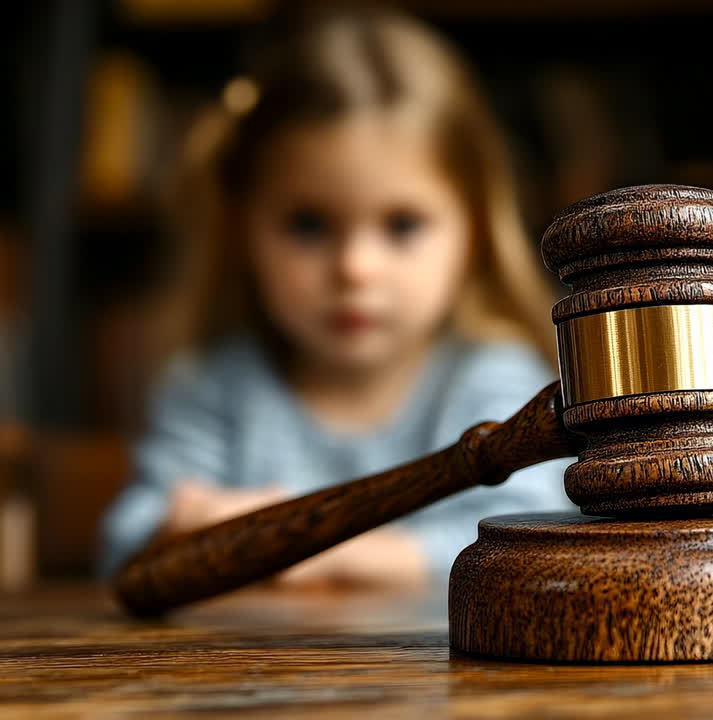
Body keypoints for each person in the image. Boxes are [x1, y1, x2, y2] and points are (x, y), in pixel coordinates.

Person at [98, 9, 570, 585]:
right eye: (308, 225)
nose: (355, 268)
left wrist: (296, 544)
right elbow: (126, 550)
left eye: (402, 225)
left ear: (473, 230)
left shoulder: (496, 383)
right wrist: (175, 528)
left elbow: (534, 546)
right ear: (240, 229)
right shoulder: (213, 386)